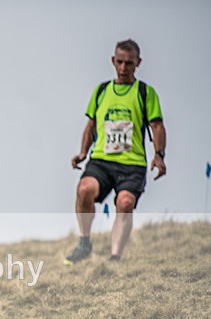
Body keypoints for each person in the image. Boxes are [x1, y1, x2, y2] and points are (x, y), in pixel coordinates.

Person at [67, 39, 167, 264]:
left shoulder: (145, 92)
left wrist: (159, 155)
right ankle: (84, 243)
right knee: (84, 190)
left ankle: (114, 258)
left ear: (138, 63)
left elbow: (157, 126)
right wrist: (82, 153)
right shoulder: (101, 91)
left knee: (124, 204)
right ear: (113, 61)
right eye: (120, 62)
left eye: (129, 63)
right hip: (101, 160)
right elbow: (91, 125)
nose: (123, 68)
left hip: (132, 164)